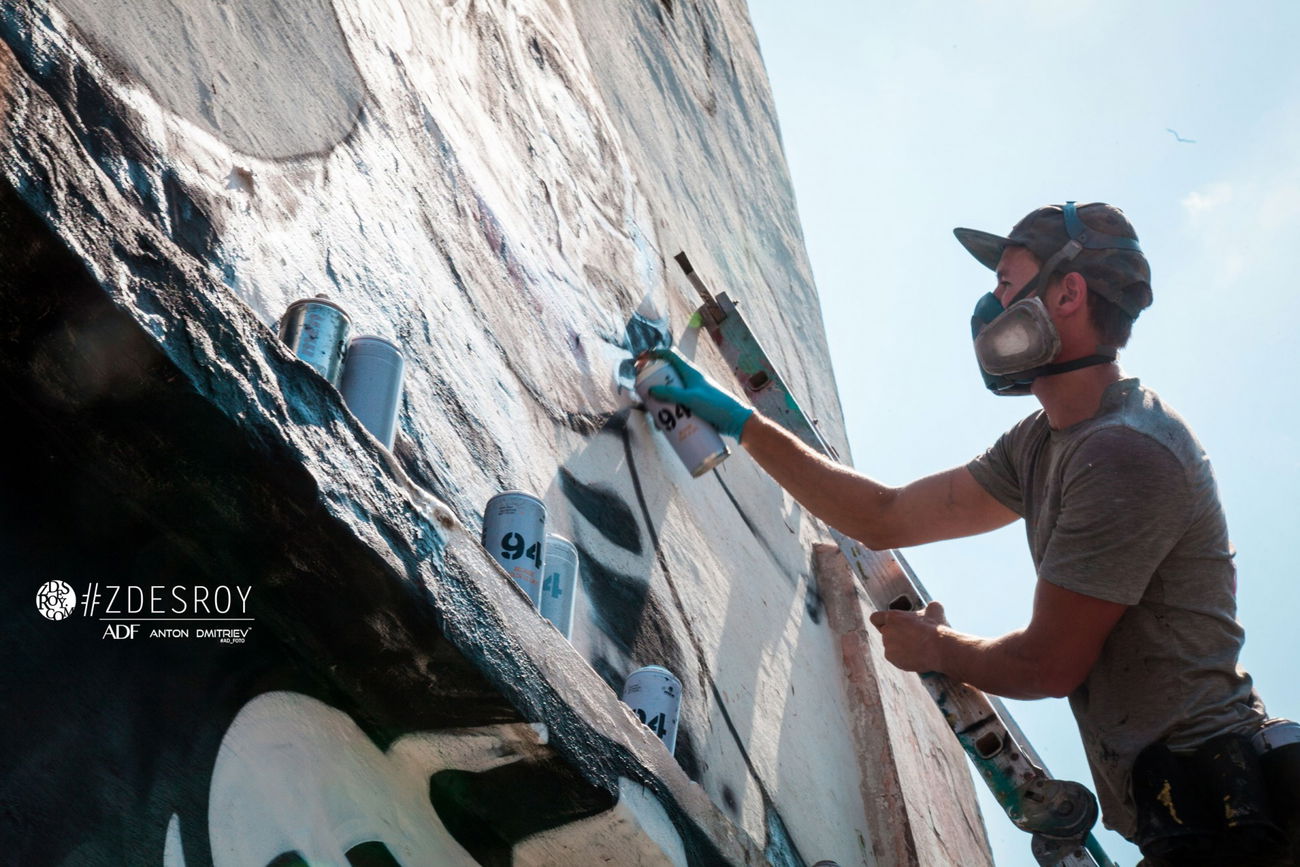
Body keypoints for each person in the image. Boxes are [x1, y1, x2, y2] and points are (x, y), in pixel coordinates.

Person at [649, 202, 1297, 865]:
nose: (992, 300)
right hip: (1186, 821)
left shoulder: (1125, 452)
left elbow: (1048, 663)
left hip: (1244, 819)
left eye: (1009, 280)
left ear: (1069, 293)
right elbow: (882, 514)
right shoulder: (1040, 445)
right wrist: (736, 417)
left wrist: (940, 647)